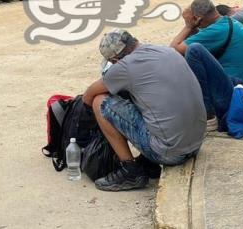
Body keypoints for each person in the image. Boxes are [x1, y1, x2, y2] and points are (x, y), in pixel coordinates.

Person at [82, 30, 206, 191]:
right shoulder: (167, 51)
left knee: (100, 102)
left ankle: (130, 171)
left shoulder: (125, 67)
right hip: (196, 143)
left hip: (170, 153)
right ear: (135, 41)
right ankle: (148, 163)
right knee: (147, 97)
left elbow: (89, 95)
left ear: (114, 60)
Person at [170, 0, 243, 88]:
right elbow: (197, 38)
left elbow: (173, 50)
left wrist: (188, 26)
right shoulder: (227, 22)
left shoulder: (217, 31)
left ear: (197, 18)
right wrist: (193, 26)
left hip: (234, 91)